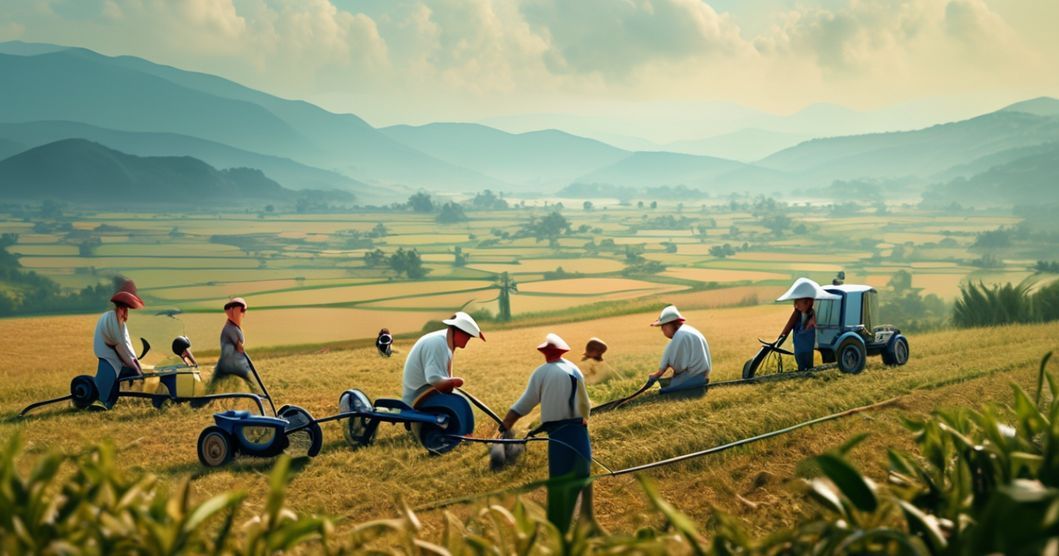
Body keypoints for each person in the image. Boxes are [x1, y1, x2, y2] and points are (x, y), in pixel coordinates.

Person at [500, 333, 594, 533]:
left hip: (559, 434)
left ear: (545, 353)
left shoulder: (542, 372)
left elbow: (526, 403)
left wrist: (507, 422)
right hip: (579, 431)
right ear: (562, 352)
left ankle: (558, 527)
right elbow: (585, 402)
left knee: (559, 480)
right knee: (581, 474)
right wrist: (584, 418)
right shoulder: (574, 369)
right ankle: (581, 522)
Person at [401, 311, 484, 407]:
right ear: (457, 331)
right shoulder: (437, 343)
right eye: (467, 336)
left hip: (426, 394)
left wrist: (451, 383)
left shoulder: (446, 343)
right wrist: (455, 382)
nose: (468, 339)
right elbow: (434, 380)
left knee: (462, 402)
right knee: (461, 405)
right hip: (418, 400)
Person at [92, 279, 146, 409]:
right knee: (109, 378)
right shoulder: (111, 318)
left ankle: (108, 401)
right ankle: (101, 401)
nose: (125, 313)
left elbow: (126, 345)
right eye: (124, 309)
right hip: (108, 357)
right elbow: (119, 346)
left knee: (120, 377)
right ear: (120, 308)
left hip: (116, 359)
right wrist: (134, 366)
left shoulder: (120, 323)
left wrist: (135, 362)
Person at [775, 278, 839, 371]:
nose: (795, 305)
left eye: (798, 301)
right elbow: (788, 327)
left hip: (808, 347)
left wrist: (813, 321)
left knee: (808, 361)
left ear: (808, 302)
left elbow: (816, 325)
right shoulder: (797, 314)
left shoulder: (813, 314)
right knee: (801, 361)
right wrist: (780, 339)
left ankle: (808, 370)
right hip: (799, 348)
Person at [649, 305, 712, 393]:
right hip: (703, 375)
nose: (663, 331)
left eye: (663, 327)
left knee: (663, 392)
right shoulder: (687, 330)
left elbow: (678, 367)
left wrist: (661, 373)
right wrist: (659, 372)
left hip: (692, 377)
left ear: (669, 325)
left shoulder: (680, 336)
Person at [213, 298, 252, 386]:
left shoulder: (233, 327)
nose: (242, 313)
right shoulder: (230, 329)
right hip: (232, 363)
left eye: (243, 311)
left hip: (226, 363)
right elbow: (239, 347)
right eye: (242, 311)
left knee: (215, 384)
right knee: (251, 381)